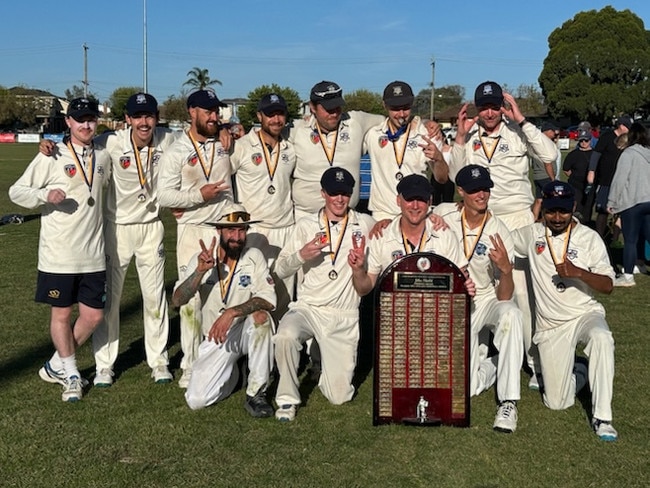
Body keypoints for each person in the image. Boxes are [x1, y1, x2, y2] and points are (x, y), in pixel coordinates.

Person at [449, 81, 559, 388]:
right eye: (483, 107)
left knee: (522, 294)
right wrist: (459, 136)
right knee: (478, 287)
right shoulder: (469, 136)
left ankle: (535, 362)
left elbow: (549, 154)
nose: (488, 113)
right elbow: (456, 176)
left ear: (503, 105)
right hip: (482, 218)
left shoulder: (517, 131)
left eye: (494, 106)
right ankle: (485, 354)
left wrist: (522, 119)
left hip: (517, 218)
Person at [9, 98, 111, 402]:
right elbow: (17, 190)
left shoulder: (103, 155)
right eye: (80, 119)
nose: (86, 125)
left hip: (93, 253)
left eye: (91, 119)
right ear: (68, 122)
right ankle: (70, 374)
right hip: (59, 254)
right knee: (62, 315)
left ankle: (56, 364)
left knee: (93, 317)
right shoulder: (51, 156)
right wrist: (45, 195)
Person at [512, 181, 618, 441]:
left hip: (584, 315)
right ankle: (580, 369)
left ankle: (603, 417)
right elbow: (498, 237)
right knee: (557, 402)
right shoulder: (531, 234)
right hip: (551, 326)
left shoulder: (588, 237)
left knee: (602, 338)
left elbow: (608, 286)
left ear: (573, 207)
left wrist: (579, 273)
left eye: (563, 211)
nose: (557, 218)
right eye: (551, 211)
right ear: (542, 209)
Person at [272, 167, 375, 421]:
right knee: (285, 334)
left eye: (344, 194)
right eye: (333, 193)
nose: (339, 199)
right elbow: (280, 268)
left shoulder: (365, 223)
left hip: (342, 315)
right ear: (323, 194)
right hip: (308, 308)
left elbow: (396, 228)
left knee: (339, 397)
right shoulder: (306, 225)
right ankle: (286, 399)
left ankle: (321, 358)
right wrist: (301, 256)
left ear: (351, 194)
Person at [91, 93, 176, 386]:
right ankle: (104, 364)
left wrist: (231, 132)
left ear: (156, 118)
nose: (144, 122)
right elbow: (78, 143)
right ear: (127, 119)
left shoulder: (167, 139)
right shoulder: (111, 142)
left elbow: (197, 137)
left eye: (149, 116)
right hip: (117, 229)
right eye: (138, 116)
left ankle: (159, 360)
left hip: (151, 227)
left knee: (154, 296)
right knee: (110, 299)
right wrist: (52, 144)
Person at [431, 165, 523, 433]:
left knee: (511, 314)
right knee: (467, 389)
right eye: (473, 190)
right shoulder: (442, 213)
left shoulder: (499, 230)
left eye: (485, 188)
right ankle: (495, 363)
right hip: (450, 302)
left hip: (483, 299)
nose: (481, 195)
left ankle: (509, 401)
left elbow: (504, 296)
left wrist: (506, 269)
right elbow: (412, 216)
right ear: (461, 191)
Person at [158, 89, 234, 388]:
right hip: (192, 231)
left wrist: (231, 130)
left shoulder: (225, 142)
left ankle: (216, 359)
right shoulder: (177, 151)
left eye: (216, 111)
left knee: (220, 298)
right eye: (207, 111)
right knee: (191, 300)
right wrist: (197, 196)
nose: (214, 116)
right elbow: (163, 195)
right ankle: (190, 364)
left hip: (222, 230)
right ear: (192, 112)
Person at [172, 204, 276, 416]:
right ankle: (234, 375)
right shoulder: (201, 259)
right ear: (218, 230)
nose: (237, 237)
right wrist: (199, 273)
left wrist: (231, 313)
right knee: (196, 400)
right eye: (231, 230)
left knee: (261, 318)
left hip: (242, 328)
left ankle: (256, 393)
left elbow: (268, 299)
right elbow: (177, 300)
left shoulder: (253, 256)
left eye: (242, 230)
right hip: (215, 336)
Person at [230, 93, 296, 319]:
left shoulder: (290, 147)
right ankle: (248, 349)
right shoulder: (241, 146)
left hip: (286, 227)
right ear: (259, 116)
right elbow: (217, 176)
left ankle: (279, 350)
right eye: (270, 115)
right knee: (250, 292)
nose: (276, 120)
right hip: (254, 230)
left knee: (283, 295)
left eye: (280, 114)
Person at [287, 80, 384, 220]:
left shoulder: (355, 121)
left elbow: (390, 121)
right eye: (328, 109)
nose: (334, 113)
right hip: (306, 219)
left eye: (337, 107)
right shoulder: (297, 129)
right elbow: (265, 134)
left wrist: (422, 124)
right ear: (312, 107)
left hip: (347, 218)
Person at [364, 81, 447, 221]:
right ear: (384, 105)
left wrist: (438, 159)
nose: (401, 114)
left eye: (406, 108)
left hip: (416, 212)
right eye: (395, 108)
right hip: (383, 216)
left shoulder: (427, 134)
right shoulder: (373, 134)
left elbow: (442, 178)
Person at [607, 122, 650, 287]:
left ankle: (628, 276)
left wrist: (612, 201)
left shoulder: (628, 154)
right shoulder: (648, 152)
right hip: (648, 200)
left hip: (632, 202)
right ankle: (640, 264)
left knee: (630, 240)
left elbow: (619, 180)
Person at [586, 115, 632, 240]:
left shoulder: (629, 139)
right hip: (606, 180)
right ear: (621, 126)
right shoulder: (607, 137)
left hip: (622, 181)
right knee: (602, 210)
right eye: (627, 127)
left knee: (620, 211)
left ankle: (615, 238)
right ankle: (599, 237)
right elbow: (596, 154)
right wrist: (592, 171)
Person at [563, 128, 595, 224]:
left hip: (590, 185)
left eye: (586, 140)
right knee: (577, 207)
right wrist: (574, 177)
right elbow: (566, 169)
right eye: (581, 140)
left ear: (590, 140)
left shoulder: (595, 154)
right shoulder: (573, 154)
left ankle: (587, 225)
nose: (584, 143)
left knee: (588, 207)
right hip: (576, 185)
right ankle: (574, 224)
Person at [531, 122, 560, 221]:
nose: (554, 134)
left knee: (539, 200)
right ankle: (546, 219)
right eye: (553, 131)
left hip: (537, 175)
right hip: (546, 176)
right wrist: (553, 179)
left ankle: (534, 219)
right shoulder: (545, 143)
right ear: (547, 131)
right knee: (551, 200)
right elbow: (548, 163)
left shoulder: (536, 142)